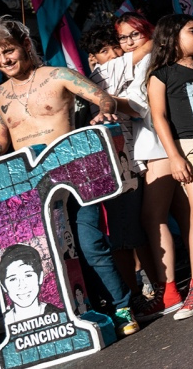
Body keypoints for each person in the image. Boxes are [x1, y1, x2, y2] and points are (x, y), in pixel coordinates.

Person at [0, 18, 139, 336]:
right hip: (32, 187)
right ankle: (82, 311)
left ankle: (122, 306)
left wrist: (103, 111)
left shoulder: (56, 75)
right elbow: (0, 139)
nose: (4, 60)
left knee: (89, 244)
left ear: (26, 45)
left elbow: (101, 97)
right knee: (50, 253)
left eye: (9, 51)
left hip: (74, 174)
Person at [115, 12, 185, 321]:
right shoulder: (138, 62)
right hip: (164, 145)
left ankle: (168, 291)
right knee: (187, 216)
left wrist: (101, 98)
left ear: (149, 32)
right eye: (123, 37)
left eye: (135, 34)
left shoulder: (147, 63)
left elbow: (137, 105)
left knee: (153, 219)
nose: (129, 42)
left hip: (159, 147)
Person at [143, 14, 193, 320]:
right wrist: (174, 157)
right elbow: (159, 118)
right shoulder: (161, 75)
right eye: (192, 31)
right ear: (171, 38)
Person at [82, 24, 153, 315]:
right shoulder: (94, 79)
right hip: (117, 164)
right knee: (127, 232)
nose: (112, 53)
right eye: (102, 50)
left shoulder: (122, 65)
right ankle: (139, 291)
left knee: (140, 225)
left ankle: (153, 285)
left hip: (140, 155)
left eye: (114, 45)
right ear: (92, 58)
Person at [0, 244, 59, 325]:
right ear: (3, 286)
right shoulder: (4, 325)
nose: (22, 285)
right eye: (13, 279)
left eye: (28, 275)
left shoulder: (59, 315)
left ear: (40, 277)